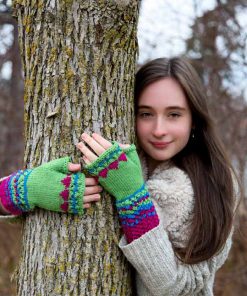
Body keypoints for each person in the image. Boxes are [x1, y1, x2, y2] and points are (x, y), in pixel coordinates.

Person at [0, 57, 240, 295]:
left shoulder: (216, 183)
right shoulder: (118, 161)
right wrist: (25, 188)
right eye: (146, 114)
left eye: (174, 114)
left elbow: (175, 287)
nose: (159, 130)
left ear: (194, 120)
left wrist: (132, 195)